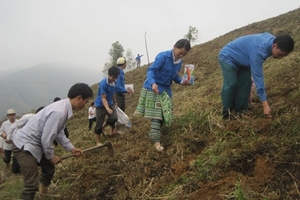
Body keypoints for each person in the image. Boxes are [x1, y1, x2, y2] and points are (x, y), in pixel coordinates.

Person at [12, 83, 93, 200]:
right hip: (24, 145)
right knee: (31, 184)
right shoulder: (59, 112)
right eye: (85, 102)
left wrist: (71, 148)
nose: (84, 105)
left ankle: (43, 193)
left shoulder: (64, 108)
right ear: (79, 98)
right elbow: (46, 138)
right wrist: (51, 156)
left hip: (37, 143)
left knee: (49, 169)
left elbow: (58, 132)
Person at [219, 33, 294, 120]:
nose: (280, 57)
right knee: (231, 83)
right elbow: (258, 77)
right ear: (274, 46)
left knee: (246, 82)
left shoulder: (273, 41)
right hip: (228, 56)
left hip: (244, 59)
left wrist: (250, 89)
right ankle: (226, 114)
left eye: (283, 56)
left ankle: (241, 111)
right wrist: (265, 104)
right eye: (280, 54)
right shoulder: (259, 51)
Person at [135, 39, 192, 152]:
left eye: (184, 54)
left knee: (164, 113)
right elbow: (151, 71)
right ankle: (156, 141)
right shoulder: (163, 56)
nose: (181, 55)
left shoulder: (179, 62)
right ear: (175, 46)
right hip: (154, 87)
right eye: (180, 52)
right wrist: (153, 83)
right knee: (157, 116)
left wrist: (182, 81)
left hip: (166, 89)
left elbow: (174, 76)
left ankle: (154, 134)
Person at [94, 66, 120, 145]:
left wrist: (115, 101)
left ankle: (103, 126)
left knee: (114, 117)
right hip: (100, 105)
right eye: (113, 77)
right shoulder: (103, 84)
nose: (114, 79)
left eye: (116, 77)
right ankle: (98, 142)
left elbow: (113, 92)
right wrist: (107, 108)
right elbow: (103, 98)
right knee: (99, 122)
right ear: (109, 75)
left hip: (110, 102)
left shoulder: (114, 83)